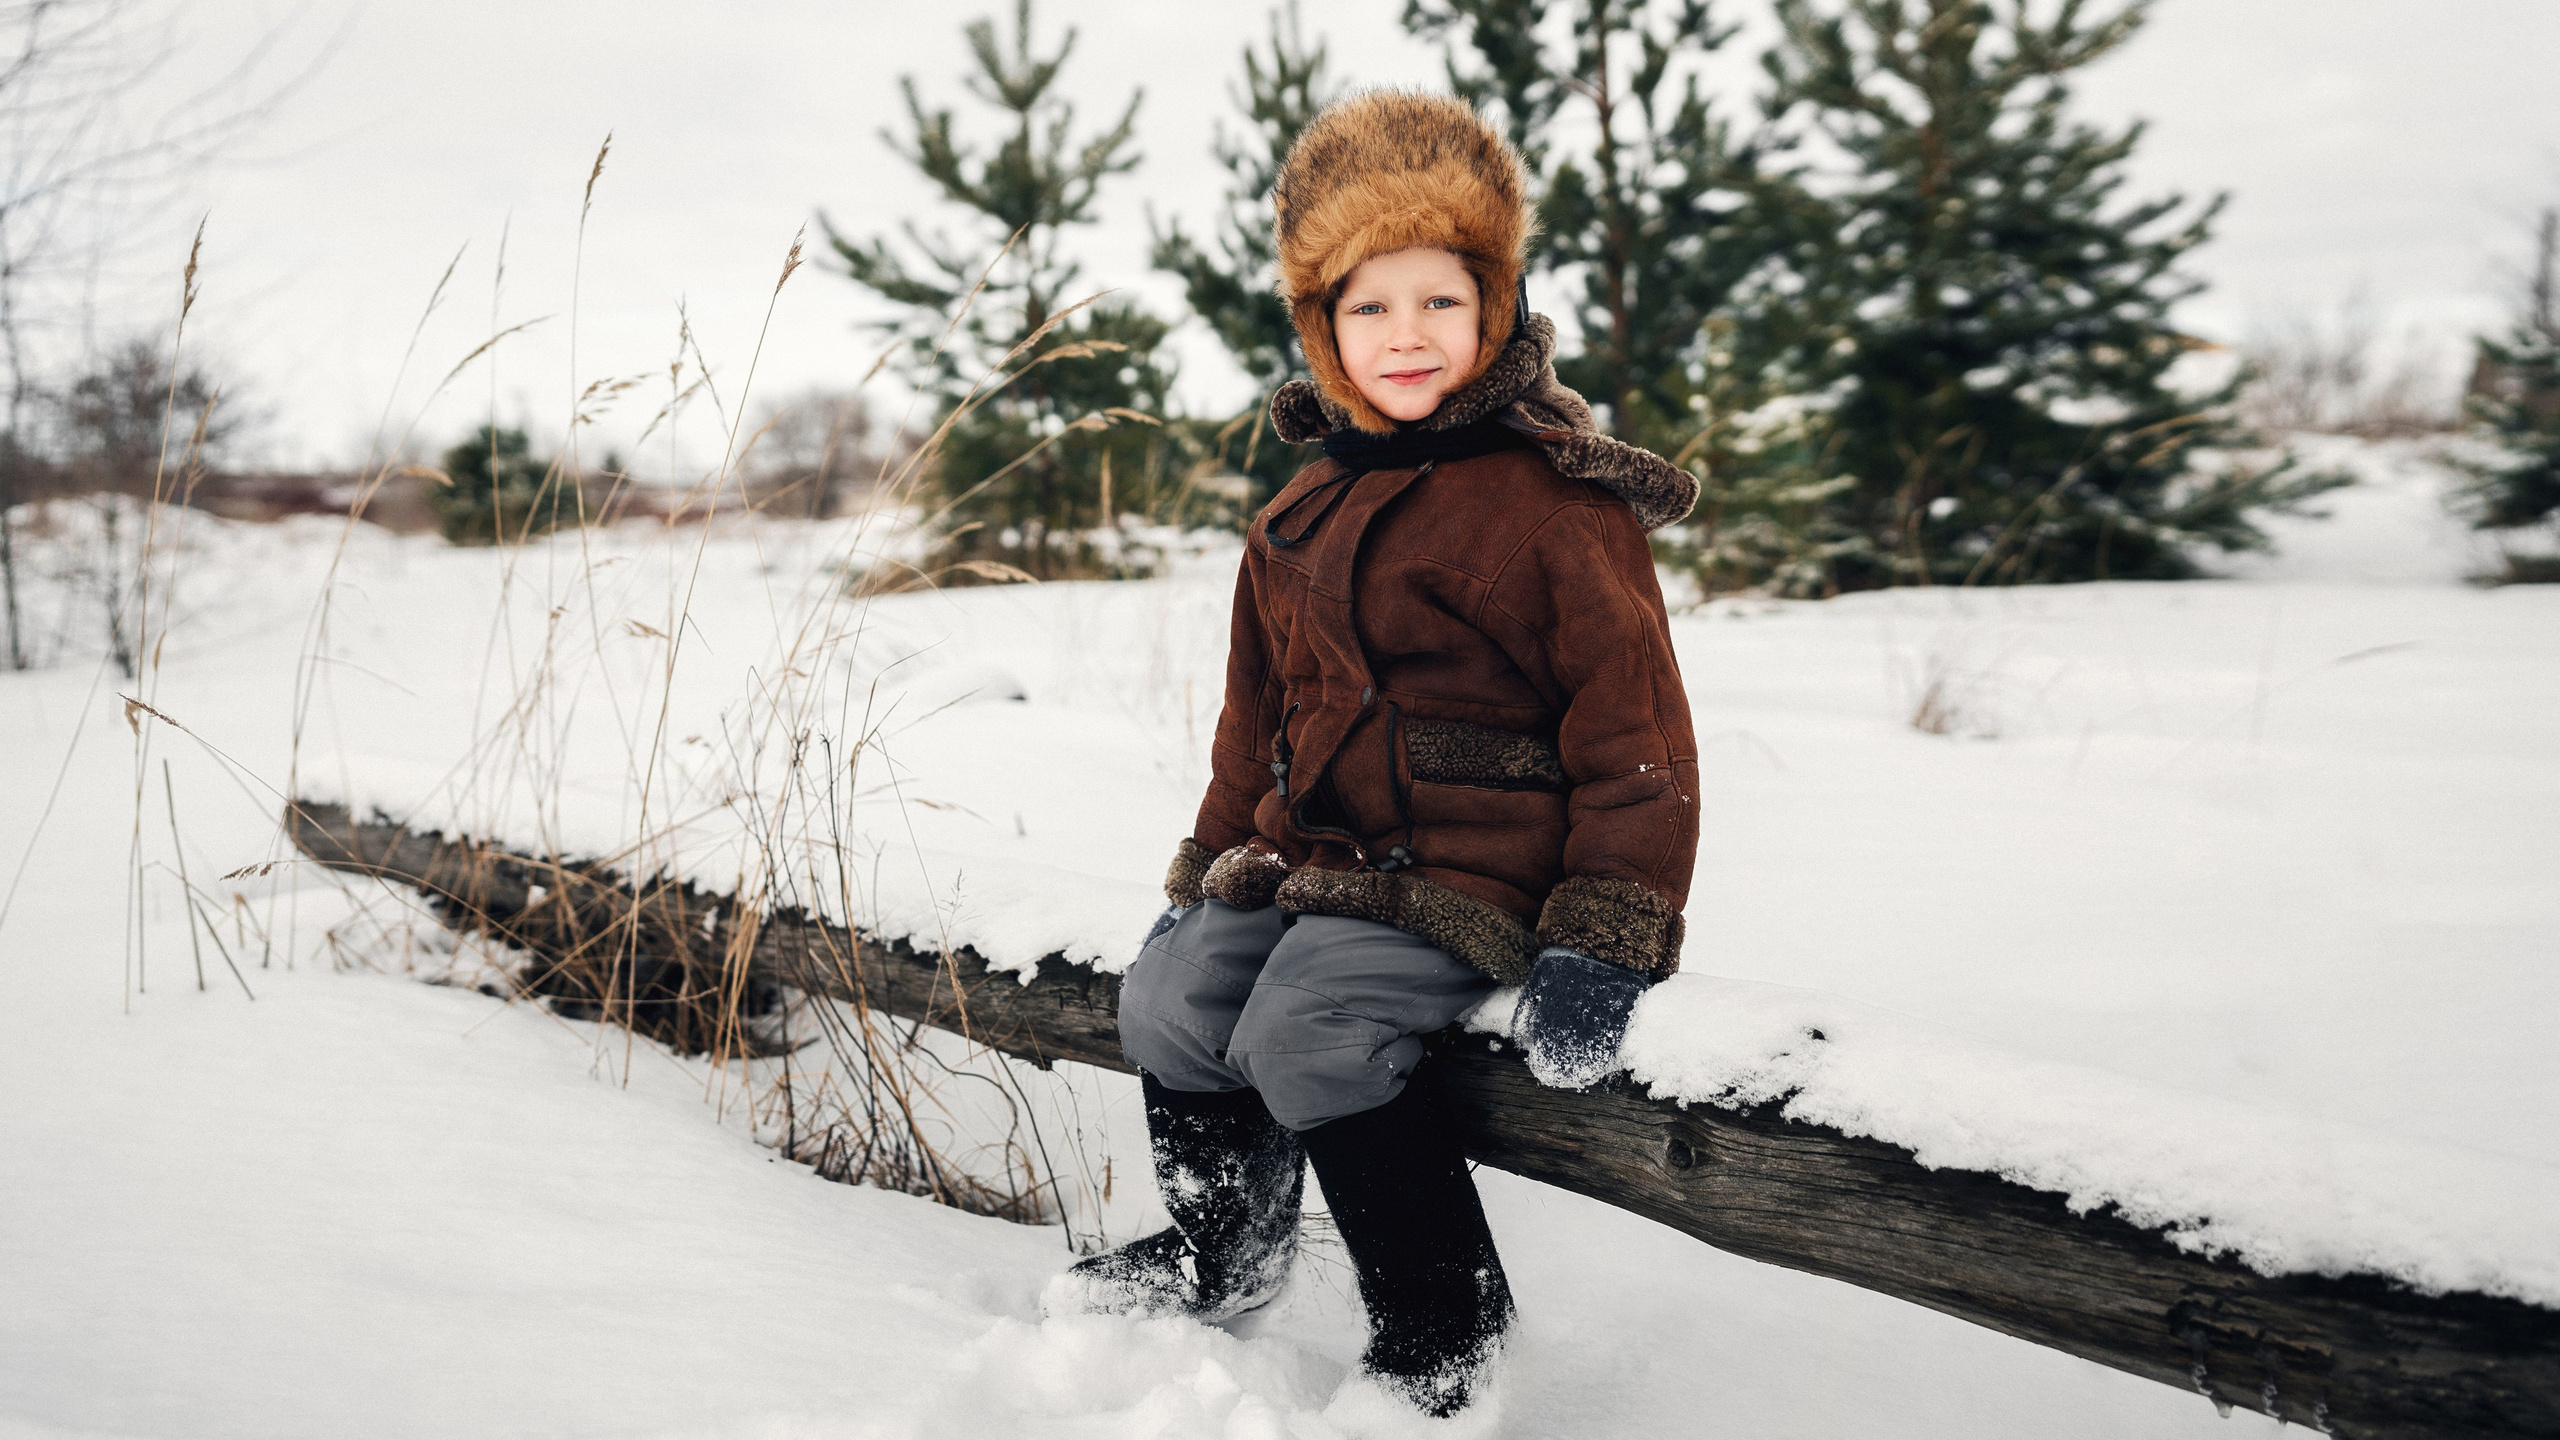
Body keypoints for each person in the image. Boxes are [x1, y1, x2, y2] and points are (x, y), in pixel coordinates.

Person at [1045, 89, 1702, 1418]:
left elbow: (1633, 728)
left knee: (1310, 1031)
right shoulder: (1304, 505)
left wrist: (1607, 932)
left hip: (1479, 862)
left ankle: (1442, 1325)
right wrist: (1216, 853)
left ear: (1495, 309)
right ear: (1323, 329)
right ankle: (1223, 1247)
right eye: (1371, 308)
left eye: (1441, 304)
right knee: (1168, 1002)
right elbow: (1258, 712)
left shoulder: (1551, 497)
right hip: (1315, 853)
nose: (1408, 336)